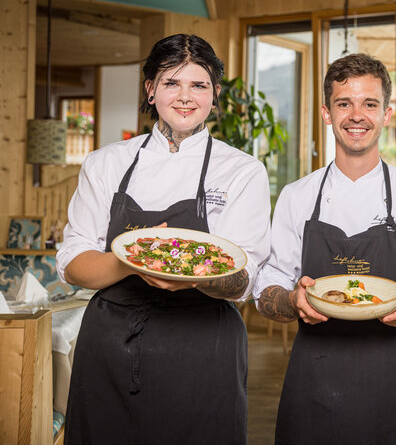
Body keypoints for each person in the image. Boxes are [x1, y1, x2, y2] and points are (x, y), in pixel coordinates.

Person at [56, 34, 271, 444]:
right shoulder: (105, 163)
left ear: (215, 93)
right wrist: (132, 259)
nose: (185, 97)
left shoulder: (242, 171)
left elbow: (243, 280)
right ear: (151, 90)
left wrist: (189, 273)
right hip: (111, 343)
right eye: (172, 83)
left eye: (199, 85)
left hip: (204, 347)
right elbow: (73, 263)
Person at [255, 53, 396, 445]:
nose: (357, 115)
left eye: (370, 104)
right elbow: (266, 290)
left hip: (390, 384)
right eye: (344, 103)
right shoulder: (297, 196)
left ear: (387, 114)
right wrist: (292, 301)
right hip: (313, 378)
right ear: (327, 113)